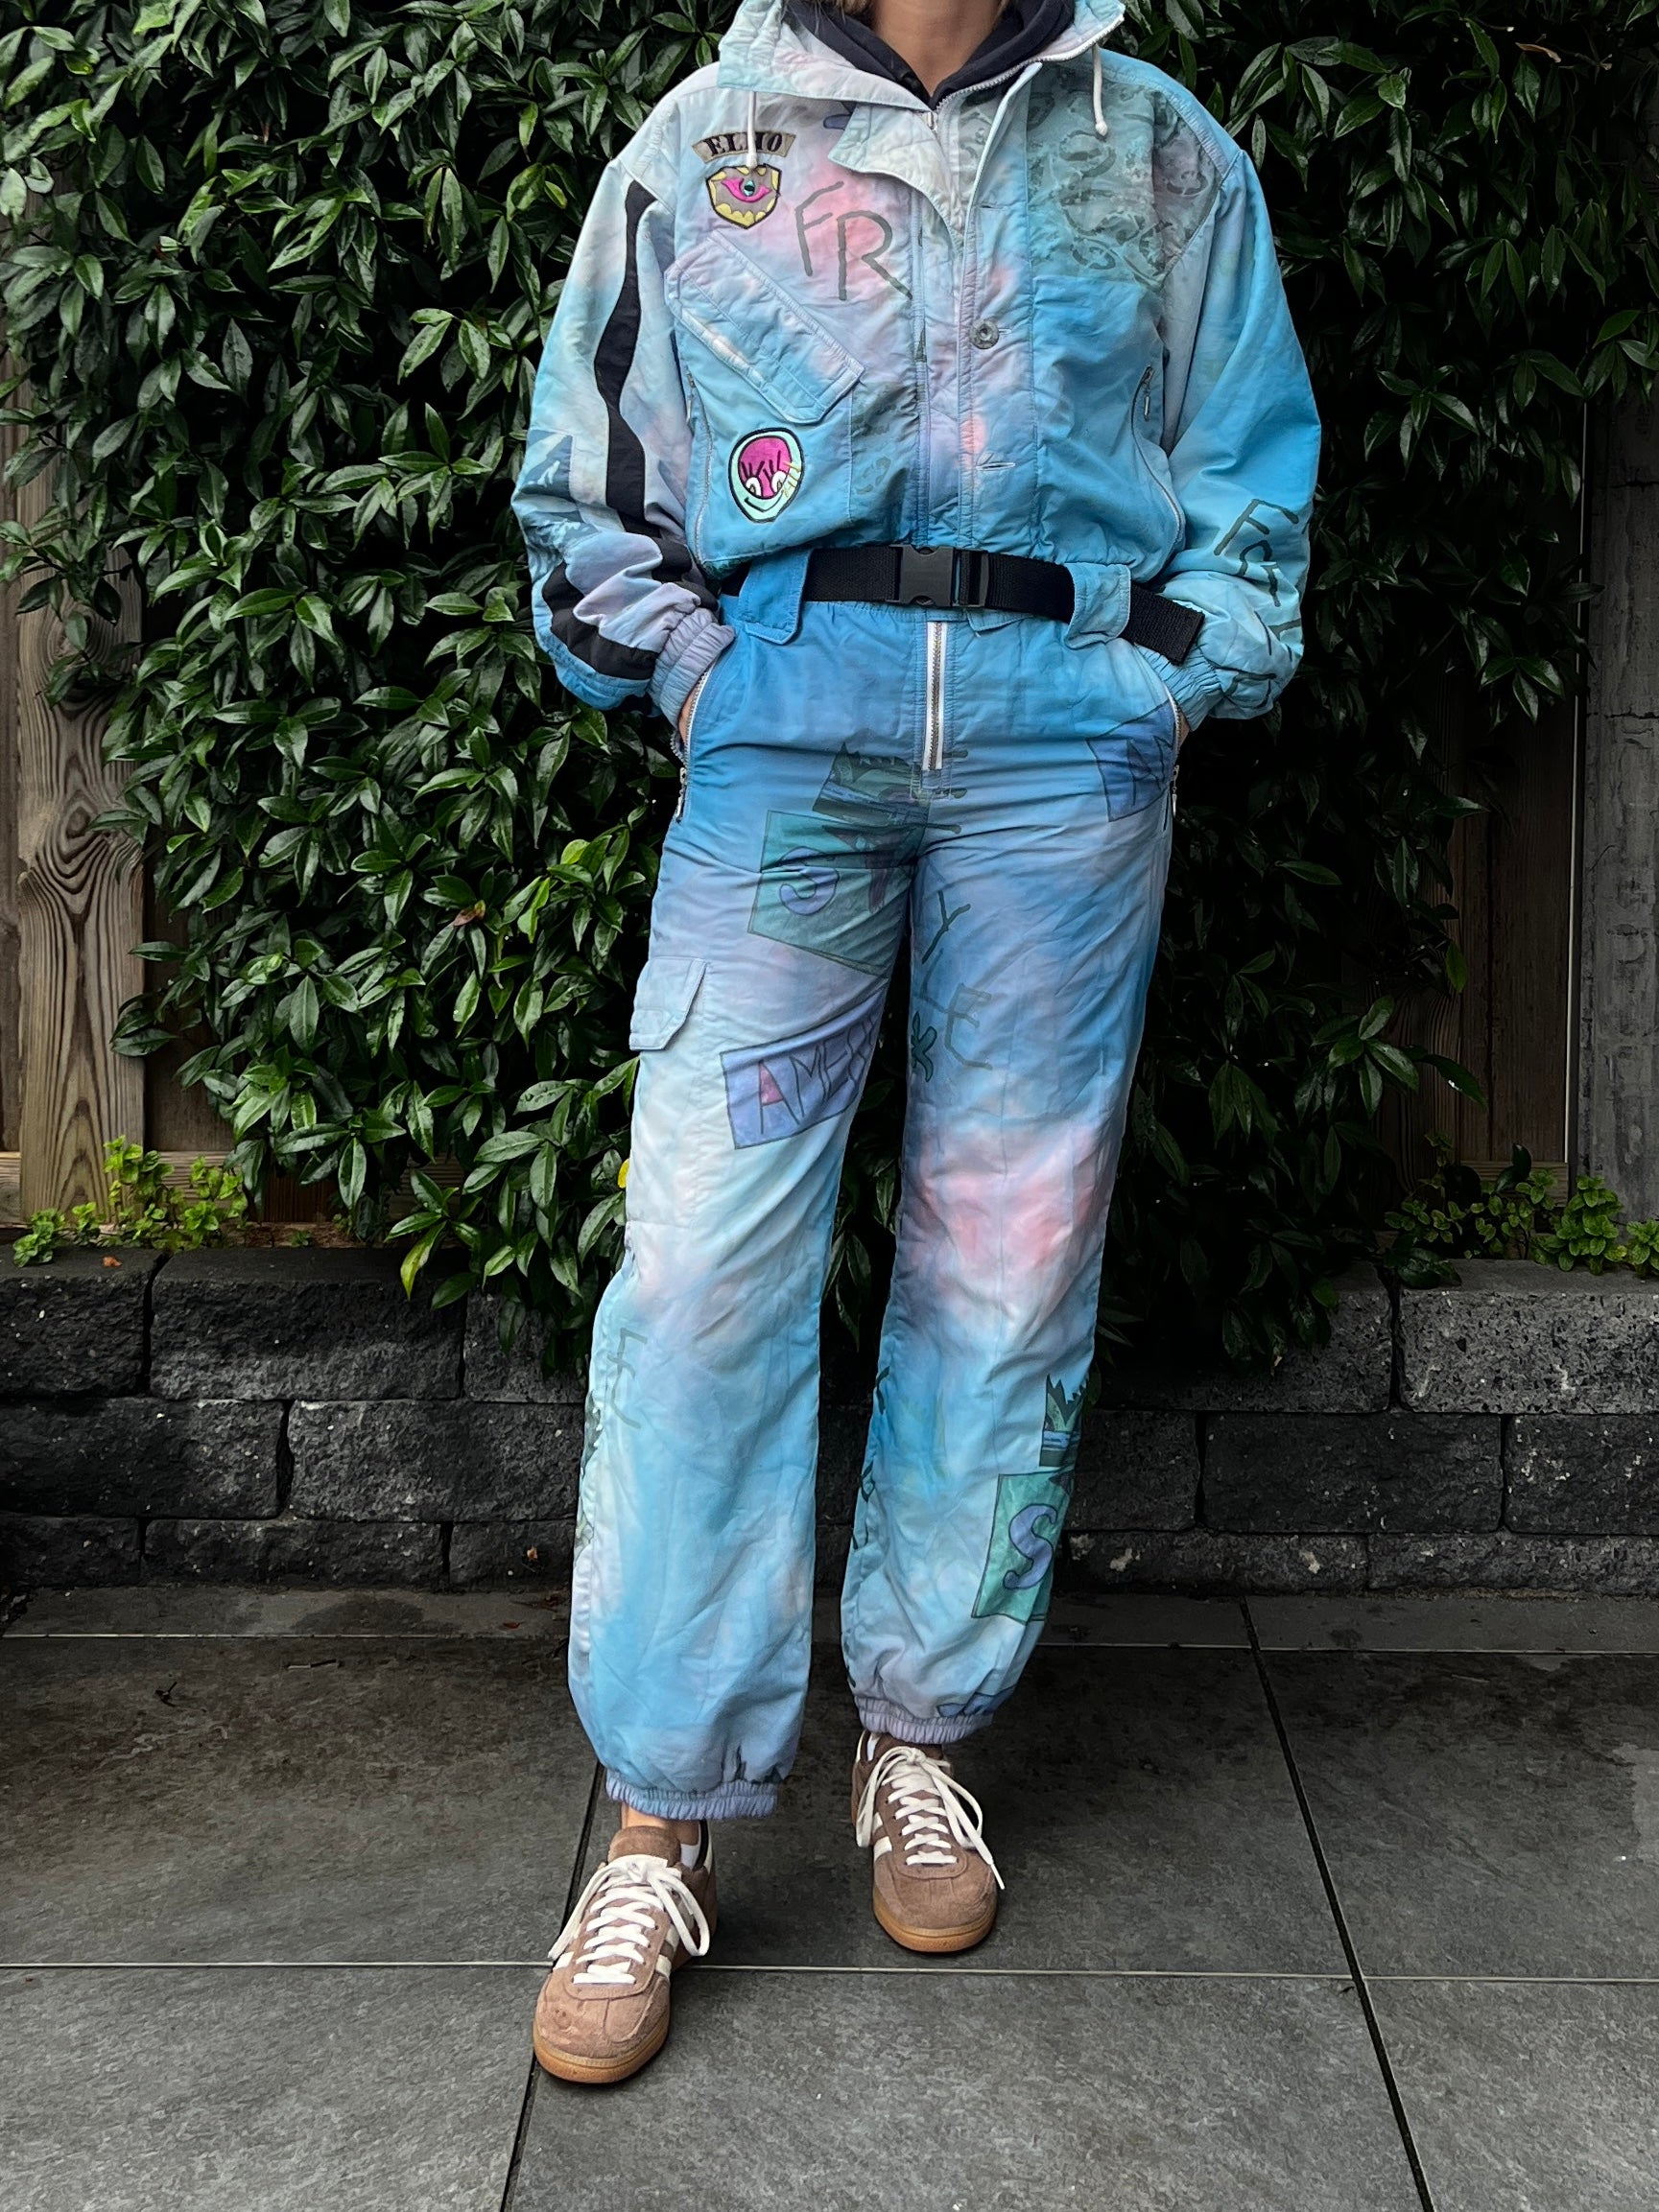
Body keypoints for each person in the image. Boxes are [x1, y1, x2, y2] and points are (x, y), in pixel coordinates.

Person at [512, 0, 1318, 2085]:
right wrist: (705, 677)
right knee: (701, 1262)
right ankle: (659, 1809)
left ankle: (925, 1732)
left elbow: (1248, 473)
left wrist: (1165, 682)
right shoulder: (705, 144)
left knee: (1008, 1253)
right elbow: (586, 485)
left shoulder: (1159, 151)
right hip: (789, 724)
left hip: (1068, 750)